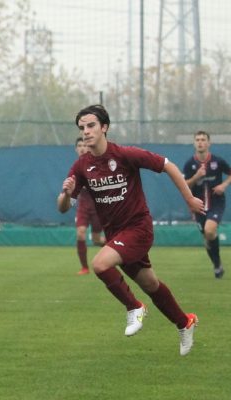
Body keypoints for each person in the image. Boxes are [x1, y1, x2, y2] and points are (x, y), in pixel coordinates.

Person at [57, 104, 203, 356]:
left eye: (91, 126)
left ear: (105, 127)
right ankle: (184, 322)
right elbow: (63, 207)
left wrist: (189, 199)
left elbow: (167, 164)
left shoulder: (125, 155)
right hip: (116, 235)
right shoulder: (81, 166)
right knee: (151, 284)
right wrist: (66, 193)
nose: (86, 132)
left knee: (101, 264)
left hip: (138, 228)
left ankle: (134, 307)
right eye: (82, 128)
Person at [183, 130, 231, 279]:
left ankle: (217, 265)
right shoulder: (190, 164)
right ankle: (217, 265)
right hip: (198, 206)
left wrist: (224, 185)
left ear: (209, 143)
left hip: (216, 201)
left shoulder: (217, 161)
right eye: (197, 139)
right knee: (207, 238)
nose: (200, 142)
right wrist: (196, 176)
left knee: (210, 230)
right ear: (194, 143)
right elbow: (184, 185)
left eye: (203, 139)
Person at [72, 137, 105, 275]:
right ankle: (85, 268)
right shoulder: (76, 166)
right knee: (80, 233)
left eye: (84, 145)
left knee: (97, 240)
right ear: (76, 149)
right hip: (83, 206)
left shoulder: (97, 163)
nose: (82, 148)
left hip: (98, 206)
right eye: (79, 145)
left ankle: (116, 250)